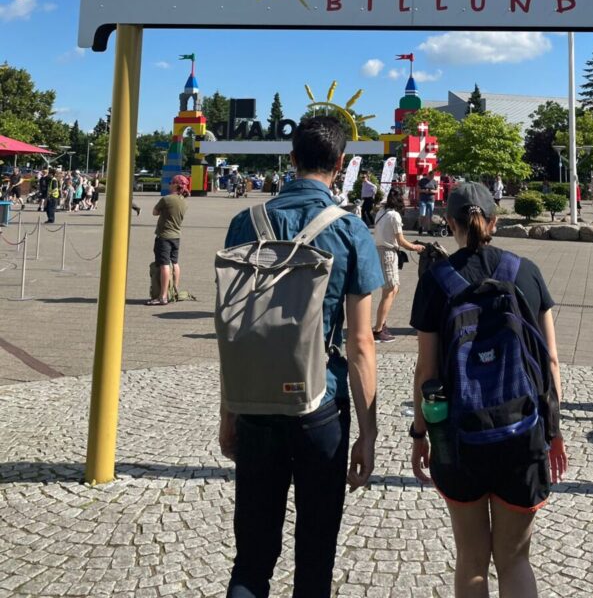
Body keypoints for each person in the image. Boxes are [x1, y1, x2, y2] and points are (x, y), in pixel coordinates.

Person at [219, 117, 383, 598]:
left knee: (251, 556)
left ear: (291, 159)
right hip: (321, 405)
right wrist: (369, 434)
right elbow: (360, 345)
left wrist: (229, 411)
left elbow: (236, 331)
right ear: (340, 163)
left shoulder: (244, 223)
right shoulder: (351, 231)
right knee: (315, 553)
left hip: (254, 402)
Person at [410, 182, 567, 598]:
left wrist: (420, 434)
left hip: (460, 438)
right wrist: (554, 432)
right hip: (522, 432)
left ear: (450, 223)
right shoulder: (526, 271)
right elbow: (550, 363)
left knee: (472, 559)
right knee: (515, 560)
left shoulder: (436, 282)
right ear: (495, 221)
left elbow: (426, 371)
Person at [372, 187, 423, 343]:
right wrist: (415, 247)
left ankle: (382, 322)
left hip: (380, 251)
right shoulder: (394, 216)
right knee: (390, 290)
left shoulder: (381, 212)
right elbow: (400, 240)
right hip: (388, 253)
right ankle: (378, 330)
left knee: (392, 288)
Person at [146, 174, 189, 306]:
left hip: (164, 236)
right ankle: (174, 291)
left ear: (175, 185)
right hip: (176, 236)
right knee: (175, 263)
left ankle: (162, 296)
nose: (169, 184)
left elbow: (154, 212)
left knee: (164, 264)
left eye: (171, 182)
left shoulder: (166, 199)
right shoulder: (184, 201)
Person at [417, 169, 439, 235]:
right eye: (431, 176)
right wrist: (424, 191)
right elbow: (417, 189)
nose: (432, 177)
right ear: (428, 175)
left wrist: (431, 191)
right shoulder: (422, 181)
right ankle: (420, 227)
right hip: (423, 199)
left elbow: (437, 191)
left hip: (431, 200)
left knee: (430, 216)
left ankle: (429, 229)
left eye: (433, 176)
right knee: (422, 214)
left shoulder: (434, 182)